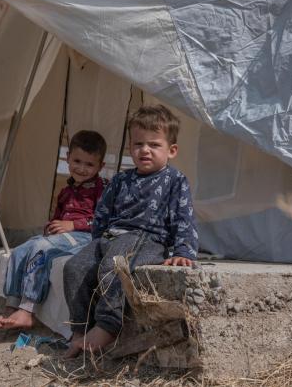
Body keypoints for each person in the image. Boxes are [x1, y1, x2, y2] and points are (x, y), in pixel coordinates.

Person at [63, 105, 198, 358]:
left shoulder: (174, 180)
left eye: (154, 145)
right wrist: (96, 246)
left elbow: (184, 217)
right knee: (74, 267)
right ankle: (79, 330)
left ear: (172, 150)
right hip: (111, 236)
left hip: (147, 239)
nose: (144, 150)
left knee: (115, 264)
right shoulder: (120, 180)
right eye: (138, 144)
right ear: (130, 148)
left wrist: (183, 250)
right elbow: (102, 213)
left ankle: (107, 325)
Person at [0, 130, 107, 331]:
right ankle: (10, 307)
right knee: (20, 251)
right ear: (67, 158)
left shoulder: (102, 189)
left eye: (89, 164)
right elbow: (58, 217)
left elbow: (104, 220)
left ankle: (27, 310)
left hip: (85, 236)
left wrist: (74, 225)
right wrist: (52, 226)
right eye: (77, 161)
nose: (81, 168)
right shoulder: (66, 191)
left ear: (101, 166)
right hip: (62, 236)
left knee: (40, 247)